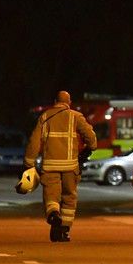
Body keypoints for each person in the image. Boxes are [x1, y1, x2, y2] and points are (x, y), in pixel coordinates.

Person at [23, 90, 96, 242]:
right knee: (69, 197)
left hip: (50, 166)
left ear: (55, 101)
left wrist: (28, 163)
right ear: (69, 102)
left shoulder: (45, 117)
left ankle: (53, 214)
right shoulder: (76, 116)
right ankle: (64, 229)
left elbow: (34, 141)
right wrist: (90, 148)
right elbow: (91, 138)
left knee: (51, 196)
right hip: (70, 166)